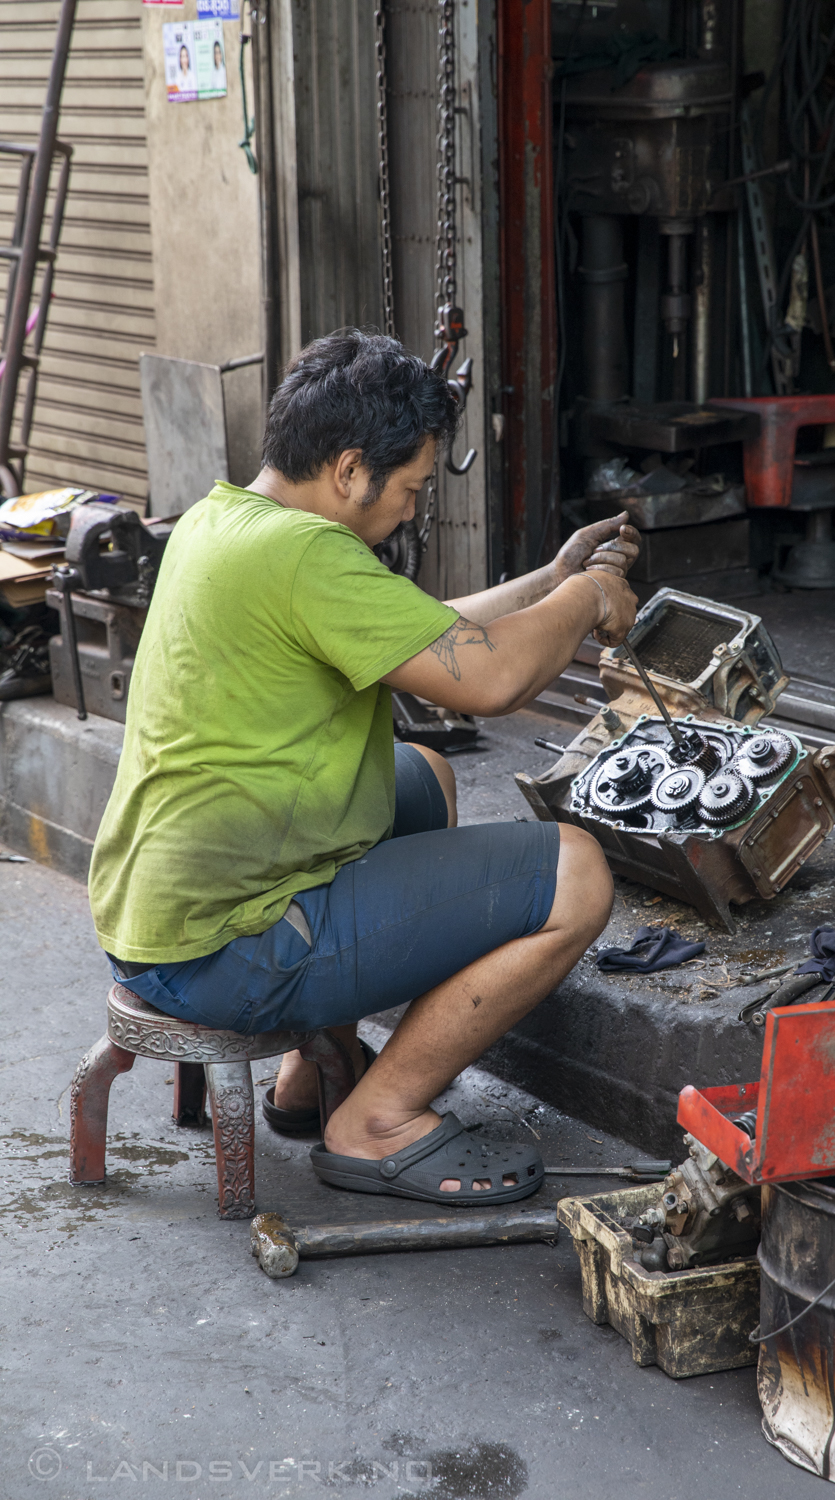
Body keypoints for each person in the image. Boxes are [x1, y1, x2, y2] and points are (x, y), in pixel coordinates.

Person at [88, 329, 639, 1207]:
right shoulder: (307, 554)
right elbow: (490, 677)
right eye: (413, 489)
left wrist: (547, 580)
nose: (413, 510)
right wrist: (592, 598)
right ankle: (373, 1123)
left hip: (161, 915)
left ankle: (312, 1075)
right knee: (575, 872)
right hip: (228, 946)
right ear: (349, 470)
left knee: (424, 775)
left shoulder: (228, 519)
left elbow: (424, 631)